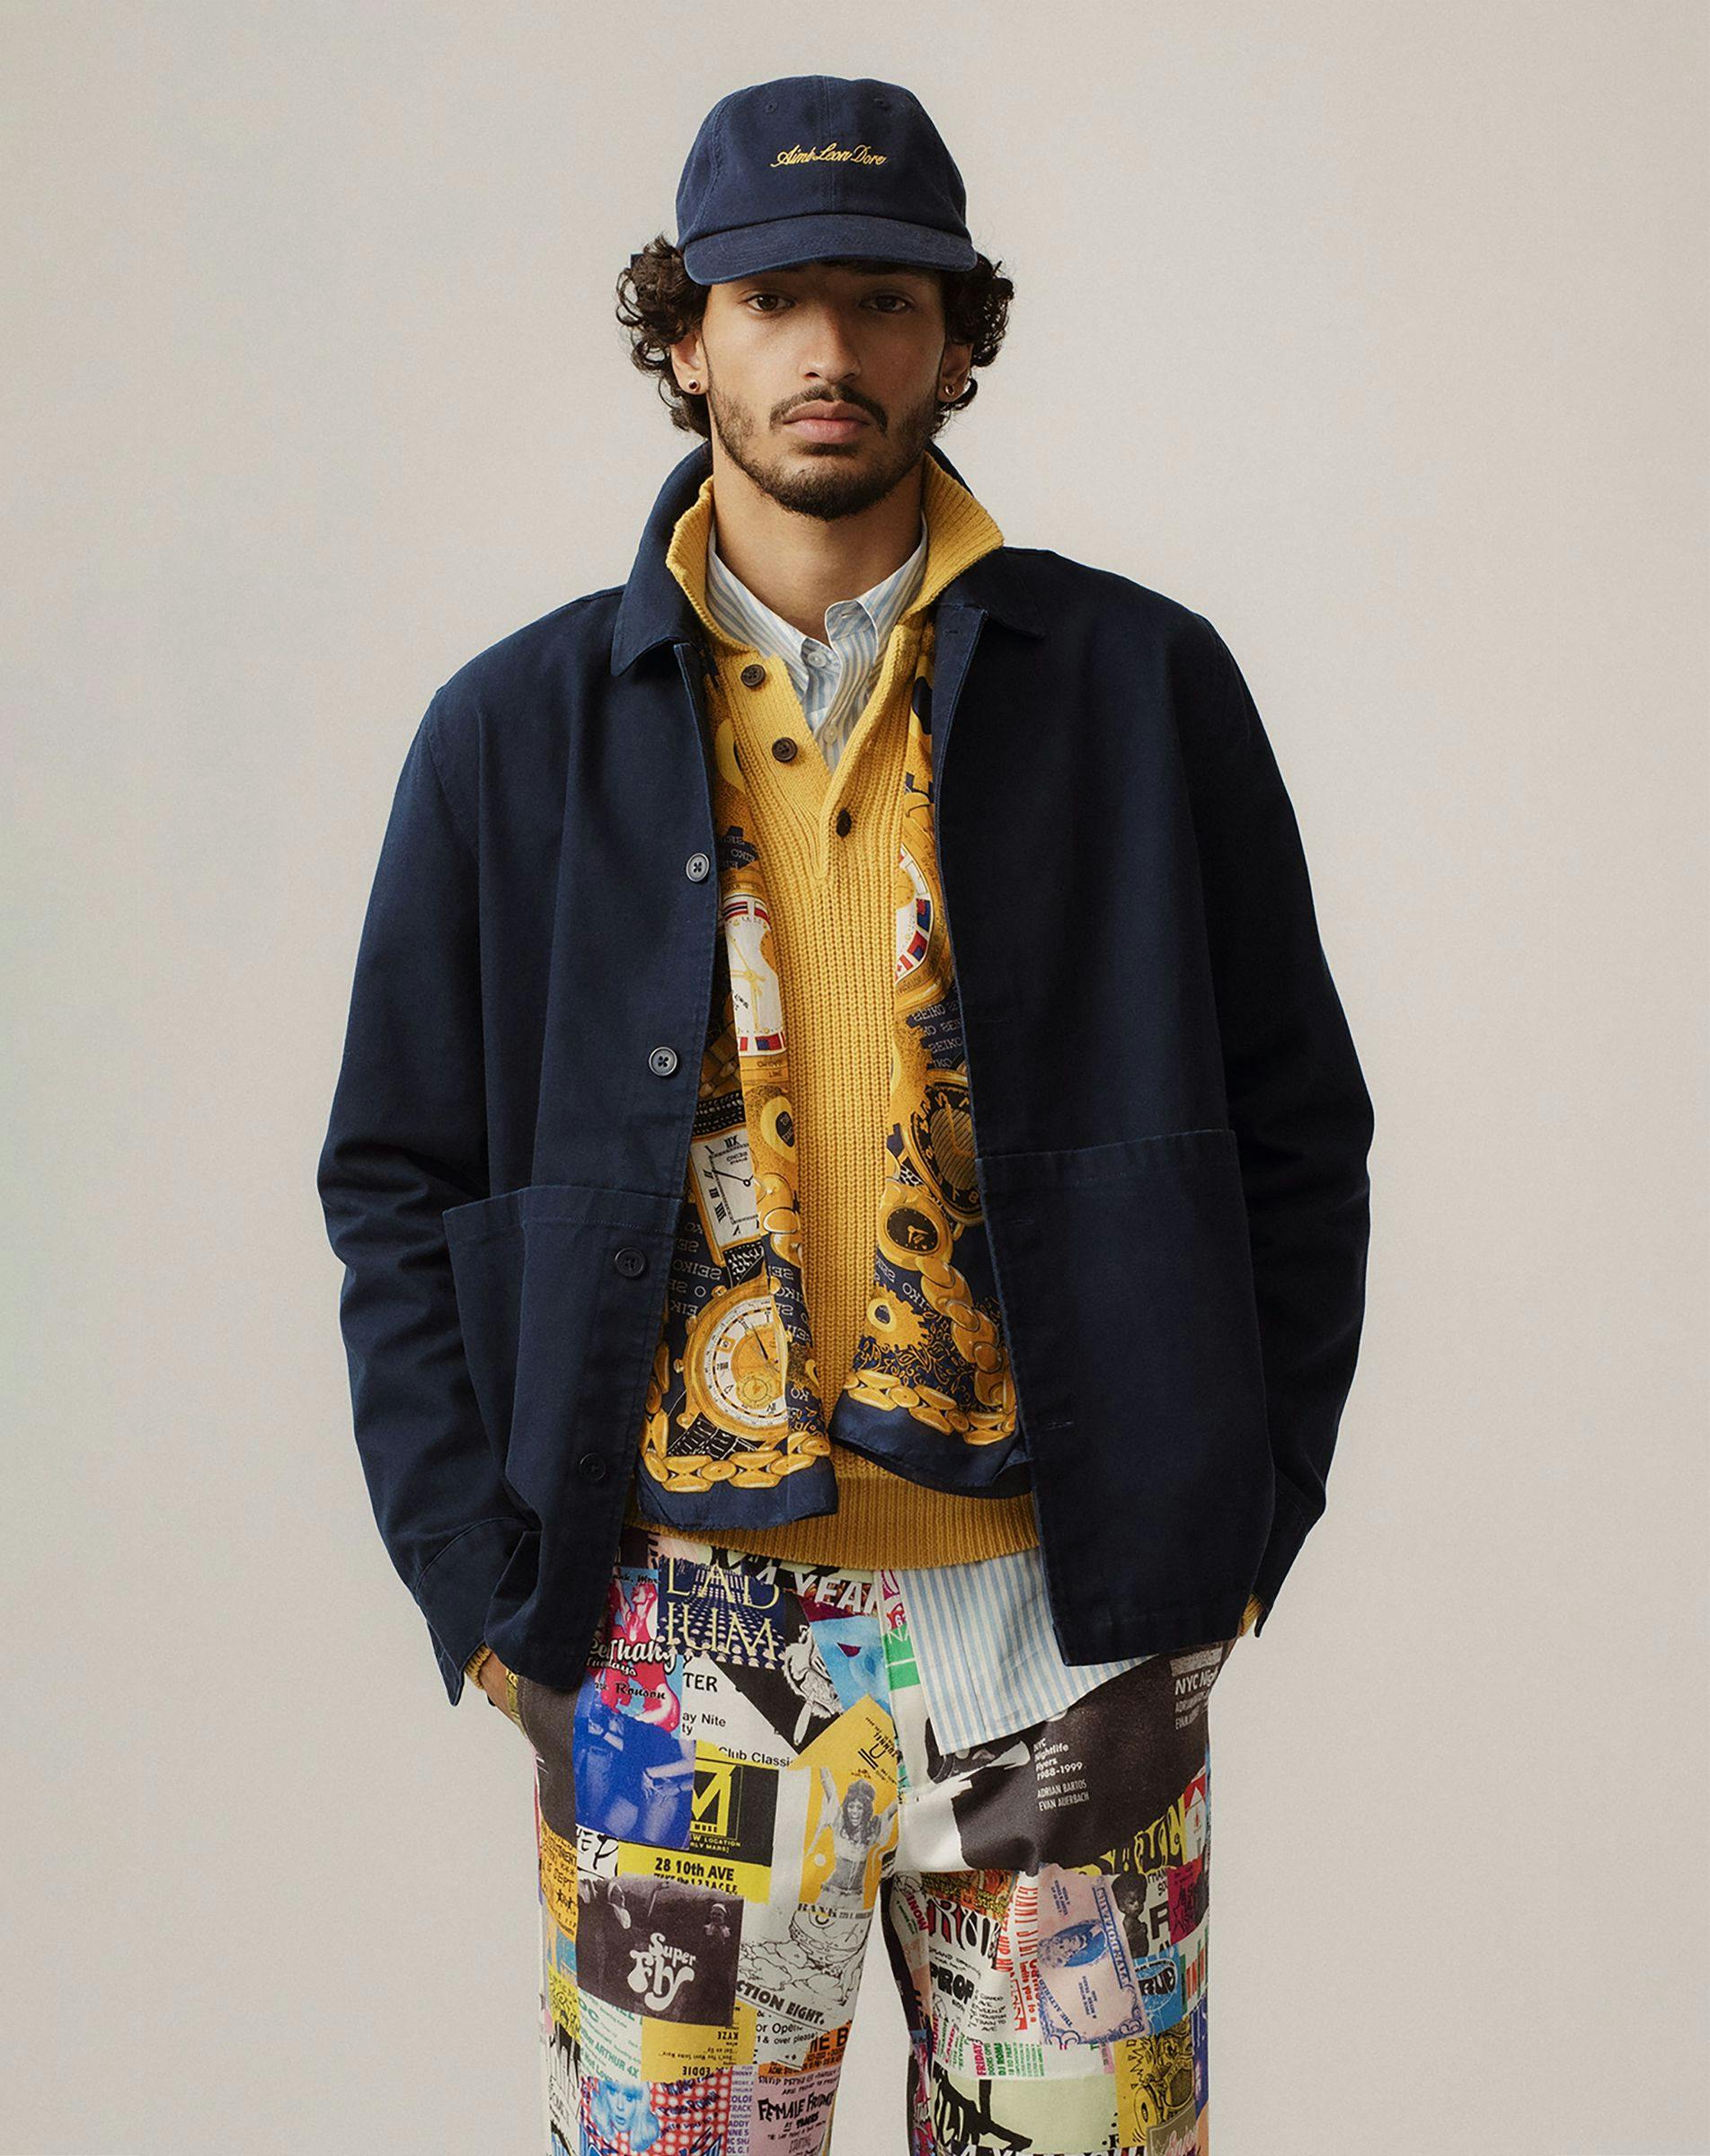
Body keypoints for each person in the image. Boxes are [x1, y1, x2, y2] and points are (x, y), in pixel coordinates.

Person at [316, 72, 1375, 2156]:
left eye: (885, 299)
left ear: (957, 338)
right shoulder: (512, 734)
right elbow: (394, 1175)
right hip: (680, 1644)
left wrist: (1236, 1539)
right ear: (685, 336)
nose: (829, 350)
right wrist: (490, 1608)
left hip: (1066, 1631)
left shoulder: (1140, 688)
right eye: (772, 299)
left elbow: (1295, 1136)